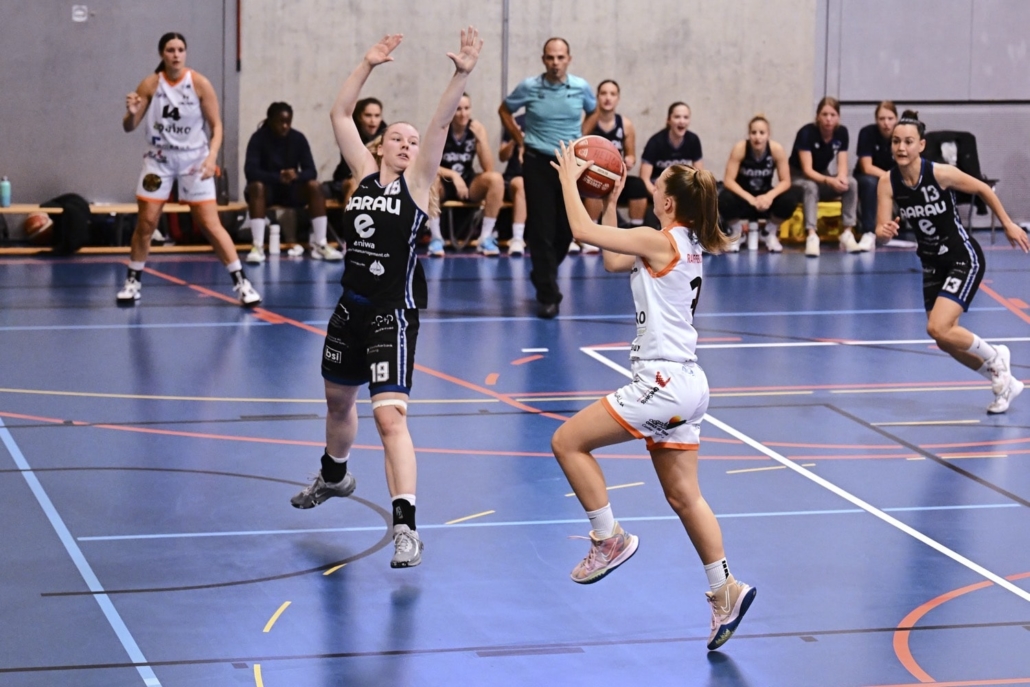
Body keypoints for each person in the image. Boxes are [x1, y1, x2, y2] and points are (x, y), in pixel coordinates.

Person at [549, 143, 756, 651]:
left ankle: (608, 538)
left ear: (667, 203)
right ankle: (725, 588)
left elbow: (581, 232)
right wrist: (611, 202)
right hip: (690, 384)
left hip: (660, 382)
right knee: (684, 496)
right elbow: (612, 262)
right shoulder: (680, 243)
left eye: (656, 187)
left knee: (567, 442)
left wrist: (569, 181)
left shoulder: (657, 238)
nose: (651, 190)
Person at [289, 28, 483, 568]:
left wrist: (461, 73)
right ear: (379, 146)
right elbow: (339, 113)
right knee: (338, 402)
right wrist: (367, 63)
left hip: (392, 315)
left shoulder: (416, 185)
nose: (406, 144)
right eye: (397, 137)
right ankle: (334, 475)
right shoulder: (362, 176)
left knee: (390, 419)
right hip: (349, 307)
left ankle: (406, 529)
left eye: (412, 141)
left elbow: (440, 124)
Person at [876, 111, 1029, 414]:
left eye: (908, 141)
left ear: (921, 145)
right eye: (896, 141)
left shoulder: (940, 173)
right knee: (943, 338)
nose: (901, 147)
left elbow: (982, 188)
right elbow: (880, 234)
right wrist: (883, 233)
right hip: (931, 262)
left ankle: (996, 356)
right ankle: (1004, 381)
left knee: (939, 325)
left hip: (962, 256)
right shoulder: (887, 183)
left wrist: (1008, 223)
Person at [120, 32, 260, 306]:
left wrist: (212, 158)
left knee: (210, 224)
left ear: (185, 53)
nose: (176, 54)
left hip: (194, 160)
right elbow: (129, 126)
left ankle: (242, 283)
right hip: (159, 160)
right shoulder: (150, 84)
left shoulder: (199, 83)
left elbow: (216, 126)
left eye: (180, 49)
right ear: (162, 54)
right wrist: (131, 113)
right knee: (146, 222)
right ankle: (132, 281)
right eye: (170, 50)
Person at [499, 37, 597, 318]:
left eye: (560, 57)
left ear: (569, 59)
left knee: (566, 230)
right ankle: (548, 295)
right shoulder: (529, 87)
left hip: (569, 163)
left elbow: (593, 112)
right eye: (550, 57)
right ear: (543, 59)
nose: (555, 62)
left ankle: (544, 272)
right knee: (541, 229)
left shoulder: (580, 87)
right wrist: (520, 139)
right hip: (537, 161)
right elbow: (504, 110)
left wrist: (581, 138)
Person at [243, 101, 341, 264]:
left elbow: (311, 171)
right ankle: (257, 246)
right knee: (256, 186)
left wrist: (296, 176)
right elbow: (250, 172)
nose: (285, 126)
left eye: (288, 122)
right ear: (270, 120)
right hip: (267, 192)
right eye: (280, 122)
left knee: (315, 186)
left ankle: (321, 243)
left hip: (290, 190)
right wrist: (277, 177)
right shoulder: (258, 138)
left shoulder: (298, 138)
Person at [425, 93, 505, 257]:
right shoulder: (441, 129)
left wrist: (482, 140)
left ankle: (485, 237)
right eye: (458, 109)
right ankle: (436, 238)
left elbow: (488, 168)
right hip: (444, 181)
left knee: (496, 179)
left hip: (468, 181)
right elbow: (429, 165)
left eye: (467, 108)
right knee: (431, 180)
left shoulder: (476, 129)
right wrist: (454, 176)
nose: (463, 114)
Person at [574, 79, 650, 253]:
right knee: (594, 183)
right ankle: (591, 236)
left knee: (638, 186)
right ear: (597, 97)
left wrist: (629, 160)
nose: (608, 98)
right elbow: (576, 148)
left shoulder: (625, 124)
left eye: (612, 94)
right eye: (603, 93)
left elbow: (631, 154)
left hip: (615, 177)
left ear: (618, 98)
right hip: (590, 175)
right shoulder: (588, 122)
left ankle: (634, 233)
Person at [788, 97, 859, 257]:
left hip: (823, 177)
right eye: (824, 114)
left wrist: (841, 178)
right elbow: (807, 170)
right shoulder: (806, 133)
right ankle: (812, 235)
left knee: (851, 183)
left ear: (838, 117)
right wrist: (829, 180)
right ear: (817, 116)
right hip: (798, 178)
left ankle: (847, 232)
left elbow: (842, 163)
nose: (828, 119)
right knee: (811, 187)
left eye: (832, 115)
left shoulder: (842, 132)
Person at [718, 115, 801, 252]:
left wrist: (769, 196)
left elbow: (786, 181)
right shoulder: (740, 148)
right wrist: (749, 198)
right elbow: (728, 180)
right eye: (754, 133)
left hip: (765, 200)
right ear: (749, 134)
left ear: (768, 135)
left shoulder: (776, 150)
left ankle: (769, 232)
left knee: (790, 198)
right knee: (723, 198)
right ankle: (737, 233)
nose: (757, 137)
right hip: (743, 198)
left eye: (762, 133)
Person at [855, 101, 897, 242]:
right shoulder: (867, 133)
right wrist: (890, 177)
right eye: (882, 119)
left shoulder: (900, 137)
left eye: (890, 118)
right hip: (867, 178)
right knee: (870, 183)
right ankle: (868, 232)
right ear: (876, 120)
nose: (886, 123)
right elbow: (867, 167)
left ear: (896, 119)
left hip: (892, 178)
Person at [331, 98, 387, 204]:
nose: (373, 120)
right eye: (368, 115)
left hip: (378, 178)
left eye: (377, 116)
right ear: (359, 117)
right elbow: (349, 167)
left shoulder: (387, 135)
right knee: (355, 184)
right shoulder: (350, 134)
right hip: (348, 178)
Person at [640, 102, 704, 194]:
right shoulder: (655, 142)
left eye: (686, 117)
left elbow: (699, 175)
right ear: (668, 120)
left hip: (681, 190)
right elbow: (644, 179)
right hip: (657, 188)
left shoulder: (693, 140)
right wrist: (659, 197)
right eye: (677, 117)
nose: (682, 121)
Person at [498, 113, 527, 256]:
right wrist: (514, 140)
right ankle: (517, 238)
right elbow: (502, 156)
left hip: (539, 176)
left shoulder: (551, 122)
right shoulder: (515, 121)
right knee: (521, 184)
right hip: (514, 177)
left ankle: (566, 237)